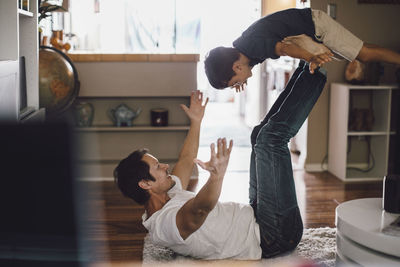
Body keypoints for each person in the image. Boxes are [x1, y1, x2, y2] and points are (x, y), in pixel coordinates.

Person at [114, 61, 327, 259]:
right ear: (145, 184)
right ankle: (315, 71)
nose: (165, 166)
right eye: (158, 167)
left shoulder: (168, 192)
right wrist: (216, 176)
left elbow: (187, 159)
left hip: (258, 215)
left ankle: (305, 66)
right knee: (270, 140)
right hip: (273, 236)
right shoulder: (164, 226)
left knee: (258, 136)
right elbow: (199, 210)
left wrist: (196, 121)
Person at [204, 8, 400, 92]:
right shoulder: (245, 50)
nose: (241, 83)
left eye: (236, 82)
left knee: (363, 54)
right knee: (362, 51)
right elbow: (250, 64)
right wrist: (238, 80)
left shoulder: (251, 45)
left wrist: (311, 57)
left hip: (315, 26)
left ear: (237, 67)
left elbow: (285, 48)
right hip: (312, 26)